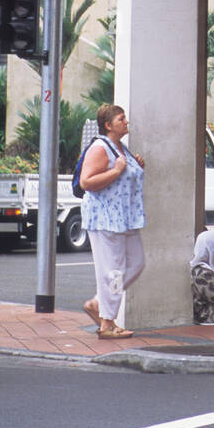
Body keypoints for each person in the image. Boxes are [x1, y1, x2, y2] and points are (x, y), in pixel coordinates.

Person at [79, 104, 146, 340]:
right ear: (108, 125)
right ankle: (107, 323)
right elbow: (87, 182)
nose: (126, 122)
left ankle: (98, 302)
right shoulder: (100, 148)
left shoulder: (120, 147)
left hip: (126, 219)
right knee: (113, 273)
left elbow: (126, 174)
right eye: (121, 119)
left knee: (136, 264)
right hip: (106, 218)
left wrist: (135, 166)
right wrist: (117, 171)